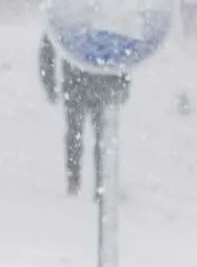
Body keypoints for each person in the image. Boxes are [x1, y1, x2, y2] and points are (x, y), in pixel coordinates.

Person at [38, 34, 130, 195]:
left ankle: (84, 183)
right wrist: (122, 82)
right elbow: (122, 48)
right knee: (94, 136)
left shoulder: (70, 15)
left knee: (84, 135)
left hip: (82, 83)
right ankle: (96, 184)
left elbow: (48, 47)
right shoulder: (76, 14)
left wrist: (50, 83)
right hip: (94, 83)